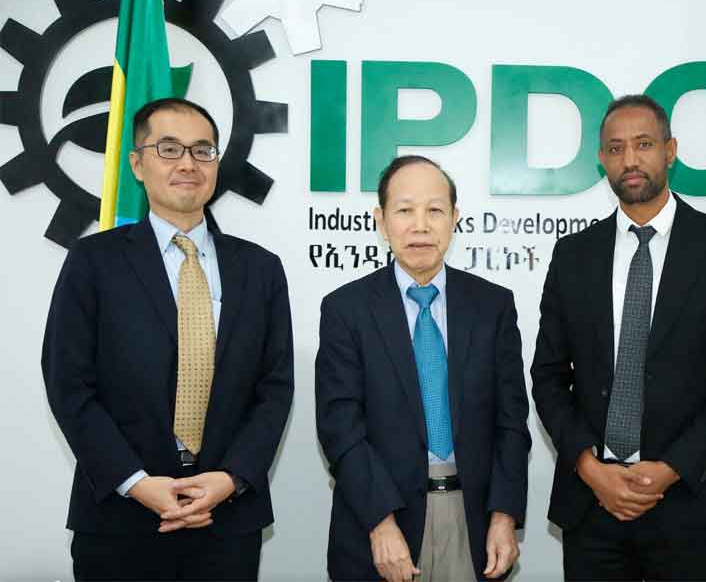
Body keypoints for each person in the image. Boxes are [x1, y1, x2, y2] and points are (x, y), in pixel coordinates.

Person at [41, 97, 294, 581]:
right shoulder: (93, 262)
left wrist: (230, 478)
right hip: (120, 519)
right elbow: (67, 384)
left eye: (203, 151)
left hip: (227, 520)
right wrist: (136, 482)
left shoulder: (260, 269)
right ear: (137, 164)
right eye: (169, 149)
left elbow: (275, 388)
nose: (187, 164)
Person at [531, 94, 706, 581]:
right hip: (593, 502)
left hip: (688, 499)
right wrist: (591, 469)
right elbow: (548, 377)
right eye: (616, 148)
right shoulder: (573, 254)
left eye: (643, 144)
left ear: (670, 151)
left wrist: (670, 468)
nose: (630, 160)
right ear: (602, 159)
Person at [316, 155, 531, 582]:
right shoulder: (346, 309)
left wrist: (504, 515)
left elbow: (511, 422)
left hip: (473, 519)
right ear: (381, 221)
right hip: (382, 521)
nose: (420, 225)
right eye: (404, 210)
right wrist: (380, 522)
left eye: (434, 210)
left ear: (454, 218)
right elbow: (341, 428)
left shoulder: (493, 306)